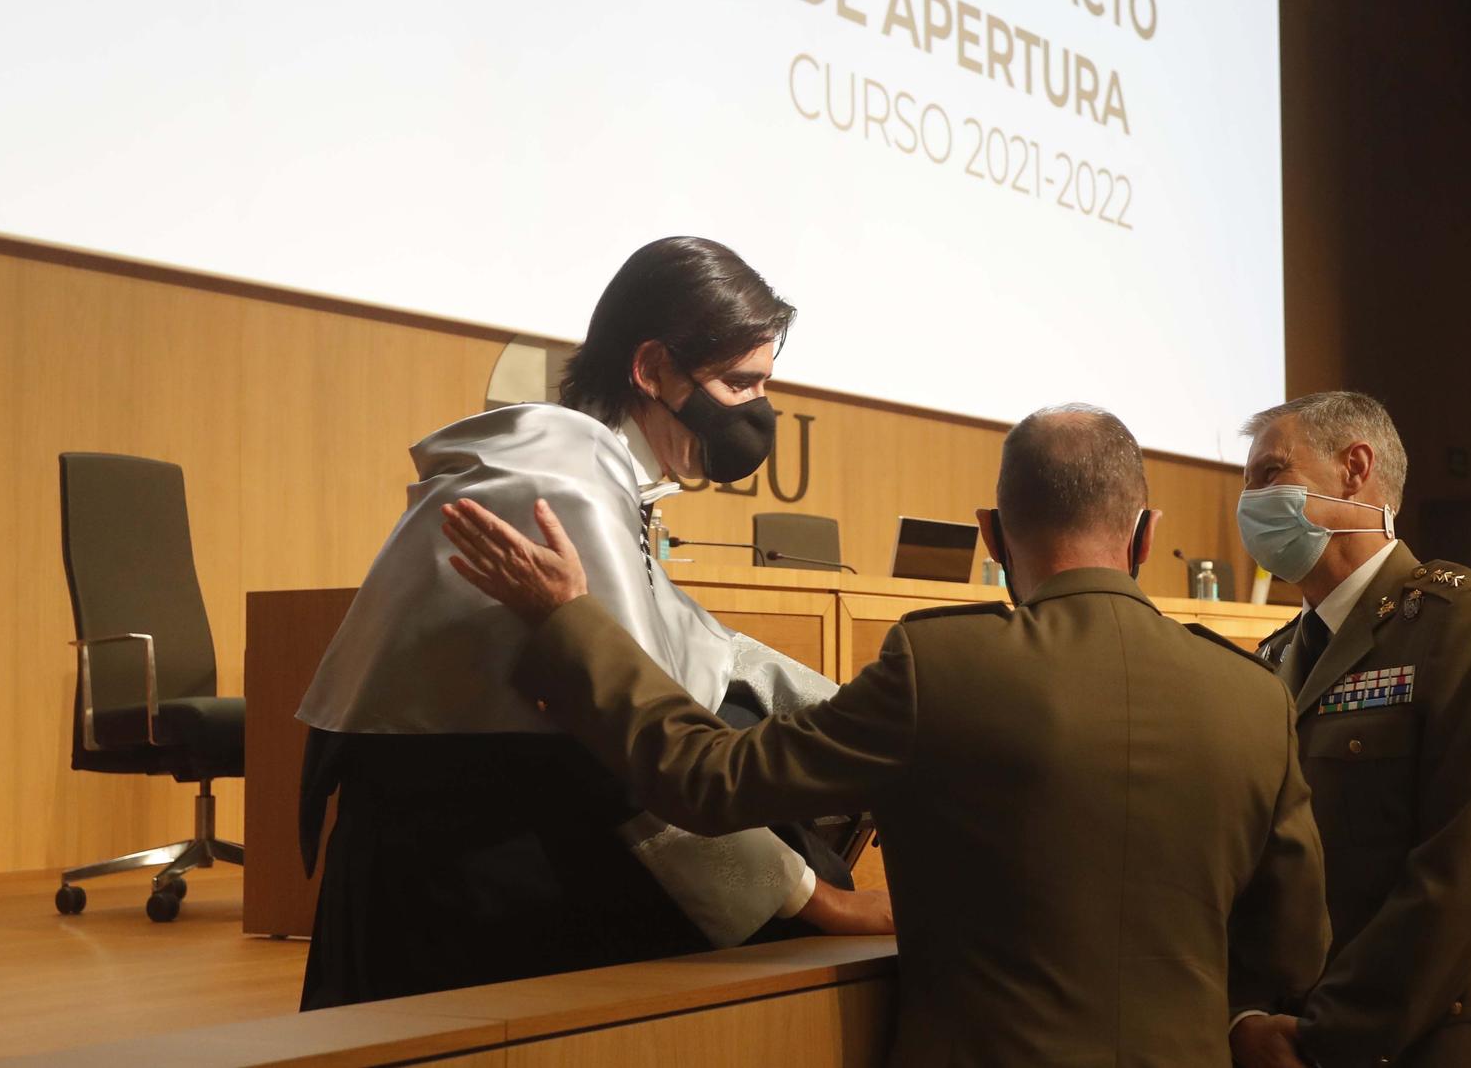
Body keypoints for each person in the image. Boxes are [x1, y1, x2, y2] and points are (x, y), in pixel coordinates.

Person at [442, 404, 1331, 1067]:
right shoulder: (1252, 696)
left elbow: (702, 778)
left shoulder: (941, 666)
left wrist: (571, 620)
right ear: (1145, 537)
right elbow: (1294, 945)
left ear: (992, 535)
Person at [293, 237, 890, 1010]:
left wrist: (866, 726)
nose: (757, 412)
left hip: (509, 814)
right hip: (464, 868)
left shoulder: (593, 466)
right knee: (804, 893)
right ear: (651, 370)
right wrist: (822, 901)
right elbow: (635, 753)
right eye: (741, 383)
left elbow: (711, 649)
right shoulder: (559, 484)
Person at [1229, 391, 1471, 1068]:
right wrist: (1248, 1015)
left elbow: (1463, 868)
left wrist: (1326, 1034)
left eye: (1270, 474)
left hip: (1438, 1038)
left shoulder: (1458, 623)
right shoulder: (1273, 658)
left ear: (1355, 467)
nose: (1251, 502)